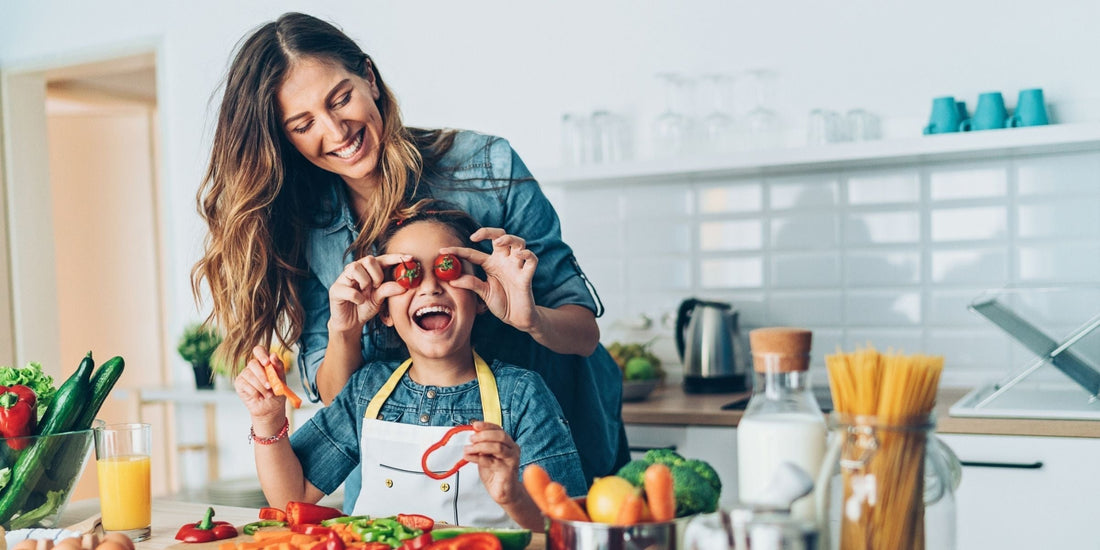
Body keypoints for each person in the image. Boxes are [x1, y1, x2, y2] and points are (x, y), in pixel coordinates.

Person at [192, 11, 628, 507]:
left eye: (341, 99)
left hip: (537, 448)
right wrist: (344, 330)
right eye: (303, 123)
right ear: (283, 137)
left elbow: (582, 331)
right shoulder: (300, 222)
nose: (336, 131)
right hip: (397, 472)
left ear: (370, 79)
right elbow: (338, 398)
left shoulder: (487, 166)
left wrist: (531, 319)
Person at [234, 204, 587, 530]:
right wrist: (267, 419)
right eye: (409, 274)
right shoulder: (366, 389)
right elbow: (291, 497)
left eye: (448, 270)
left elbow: (567, 528)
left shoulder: (522, 395)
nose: (431, 287)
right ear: (384, 310)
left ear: (480, 295)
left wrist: (513, 496)